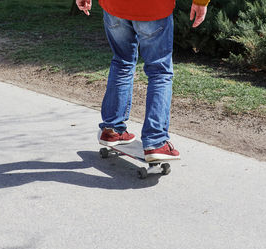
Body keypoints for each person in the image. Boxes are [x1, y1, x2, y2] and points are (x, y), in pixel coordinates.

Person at [76, 0, 209, 162]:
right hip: (153, 7)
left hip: (114, 6)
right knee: (160, 72)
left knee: (122, 62)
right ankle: (156, 142)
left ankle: (111, 129)